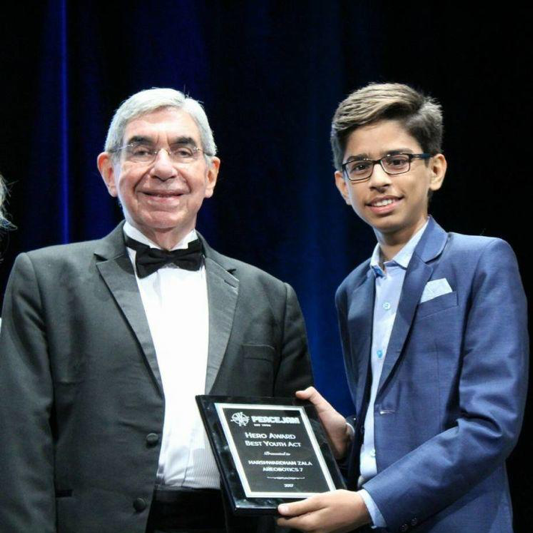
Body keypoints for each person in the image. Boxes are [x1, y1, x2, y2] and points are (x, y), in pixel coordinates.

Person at [0, 88, 313, 533]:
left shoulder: (271, 297)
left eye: (184, 151)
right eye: (142, 150)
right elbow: (19, 441)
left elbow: (290, 462)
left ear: (210, 174)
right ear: (110, 172)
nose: (163, 168)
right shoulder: (44, 279)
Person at [277, 83, 528, 532]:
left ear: (435, 170)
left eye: (396, 160)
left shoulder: (480, 261)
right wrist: (350, 437)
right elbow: (394, 419)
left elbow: (491, 425)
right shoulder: (351, 291)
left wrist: (368, 503)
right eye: (359, 166)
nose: (378, 179)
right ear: (341, 184)